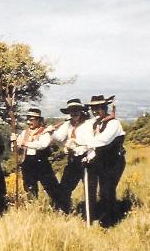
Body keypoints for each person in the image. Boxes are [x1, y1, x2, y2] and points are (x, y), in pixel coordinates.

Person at [84, 95, 126, 227]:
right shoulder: (95, 123)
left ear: (104, 108)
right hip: (101, 161)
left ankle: (109, 223)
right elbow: (94, 145)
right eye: (93, 109)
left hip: (114, 162)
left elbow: (102, 141)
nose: (95, 111)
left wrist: (81, 143)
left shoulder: (113, 124)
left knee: (107, 191)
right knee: (100, 191)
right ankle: (102, 217)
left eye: (98, 108)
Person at [11, 108, 63, 209]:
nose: (28, 122)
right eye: (28, 119)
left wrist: (26, 143)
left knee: (51, 187)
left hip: (41, 163)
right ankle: (32, 208)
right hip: (28, 163)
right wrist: (14, 143)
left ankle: (61, 208)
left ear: (38, 120)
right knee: (29, 187)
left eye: (32, 119)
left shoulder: (45, 131)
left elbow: (42, 145)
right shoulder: (24, 133)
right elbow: (16, 149)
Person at [47, 99, 92, 214]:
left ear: (81, 111)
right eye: (71, 111)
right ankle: (65, 210)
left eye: (76, 110)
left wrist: (73, 142)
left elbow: (89, 141)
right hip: (73, 161)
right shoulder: (68, 124)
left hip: (87, 159)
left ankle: (90, 213)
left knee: (89, 188)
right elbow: (60, 138)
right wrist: (52, 132)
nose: (74, 113)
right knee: (65, 187)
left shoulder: (88, 124)